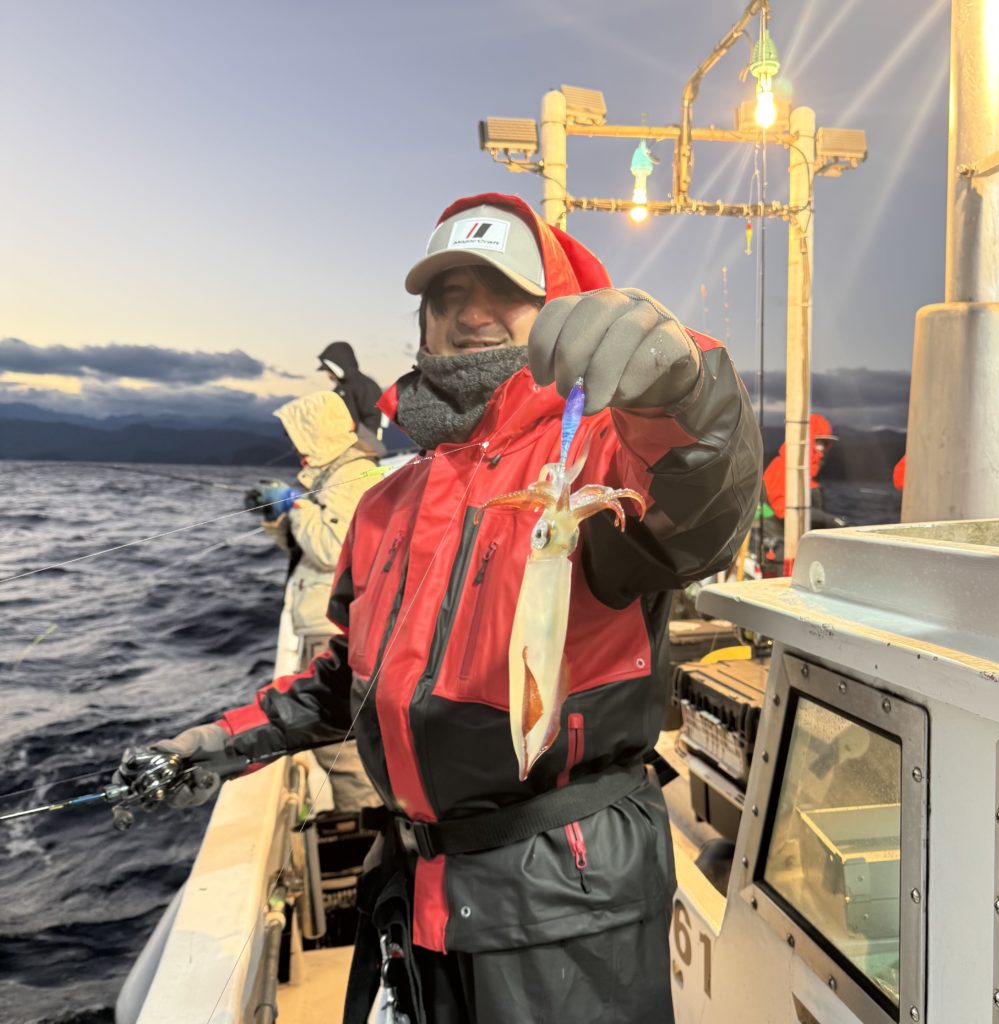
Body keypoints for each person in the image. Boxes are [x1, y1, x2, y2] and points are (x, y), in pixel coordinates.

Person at [124, 193, 762, 1023]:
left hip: (566, 910)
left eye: (505, 291)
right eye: (446, 295)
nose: (471, 313)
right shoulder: (387, 502)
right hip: (418, 894)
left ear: (559, 309)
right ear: (423, 325)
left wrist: (684, 385)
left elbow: (702, 498)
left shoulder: (599, 457)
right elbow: (350, 681)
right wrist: (221, 742)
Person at [260, 389, 383, 810]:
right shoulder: (332, 476)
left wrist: (297, 506)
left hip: (332, 626)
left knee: (337, 743)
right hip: (326, 621)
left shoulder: (354, 476)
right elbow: (306, 548)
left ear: (317, 431)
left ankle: (364, 823)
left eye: (298, 434)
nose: (296, 446)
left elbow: (331, 549)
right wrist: (276, 519)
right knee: (340, 736)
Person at [761, 412, 841, 526]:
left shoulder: (810, 474)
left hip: (805, 534)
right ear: (805, 440)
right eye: (818, 441)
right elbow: (782, 509)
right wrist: (828, 519)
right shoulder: (780, 467)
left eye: (825, 443)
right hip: (780, 535)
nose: (822, 448)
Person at [318, 340, 384, 439]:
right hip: (342, 443)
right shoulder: (339, 391)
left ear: (338, 367)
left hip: (363, 444)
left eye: (330, 370)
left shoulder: (366, 386)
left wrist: (360, 434)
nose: (328, 374)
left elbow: (373, 419)